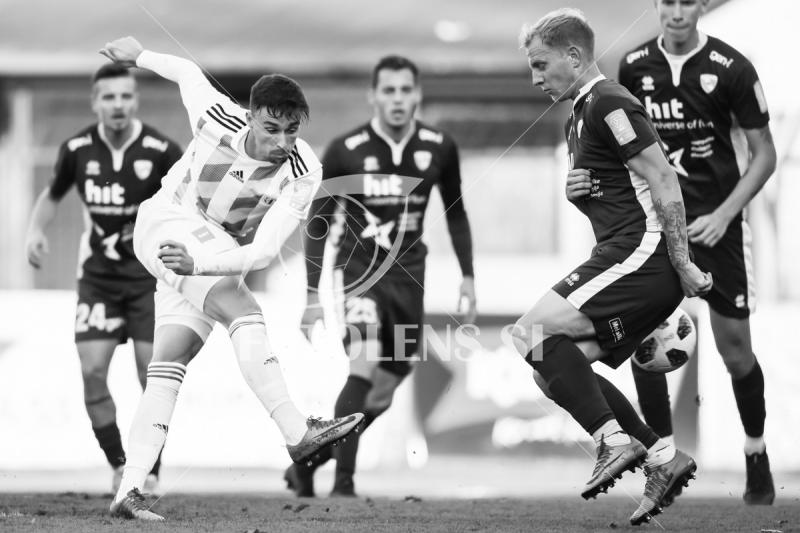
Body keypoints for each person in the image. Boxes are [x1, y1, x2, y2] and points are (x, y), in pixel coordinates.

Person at [97, 36, 364, 521]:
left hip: (204, 255)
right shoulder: (216, 115)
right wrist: (139, 56)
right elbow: (186, 72)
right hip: (167, 222)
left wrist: (198, 266)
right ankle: (296, 432)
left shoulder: (304, 169)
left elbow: (262, 254)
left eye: (292, 131)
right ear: (250, 115)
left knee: (168, 362)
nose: (282, 143)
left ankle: (128, 490)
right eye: (271, 129)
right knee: (245, 309)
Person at [516, 9, 713, 525]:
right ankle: (663, 457)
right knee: (550, 371)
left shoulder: (608, 101)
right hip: (628, 253)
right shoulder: (578, 117)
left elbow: (664, 178)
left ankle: (612, 439)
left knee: (530, 332)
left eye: (540, 64)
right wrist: (579, 196)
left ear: (574, 56)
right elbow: (620, 195)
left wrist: (682, 262)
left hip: (644, 254)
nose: (535, 78)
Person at [283, 55, 476, 498]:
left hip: (410, 280)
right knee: (363, 366)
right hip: (359, 275)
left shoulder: (440, 147)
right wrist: (312, 294)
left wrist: (468, 276)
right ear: (373, 96)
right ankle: (344, 484)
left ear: (417, 94)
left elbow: (456, 213)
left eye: (405, 90)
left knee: (383, 392)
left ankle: (308, 463)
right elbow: (319, 221)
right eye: (388, 90)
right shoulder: (346, 150)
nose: (397, 99)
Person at [619, 0, 777, 506]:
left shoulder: (732, 67)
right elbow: (626, 153)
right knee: (645, 341)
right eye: (668, 1)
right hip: (658, 229)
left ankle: (755, 451)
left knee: (735, 352)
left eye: (688, 1)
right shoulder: (634, 66)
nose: (677, 11)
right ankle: (663, 462)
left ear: (702, 6)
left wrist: (725, 215)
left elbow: (765, 155)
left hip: (719, 230)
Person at [25, 63, 183, 494]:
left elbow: (187, 205)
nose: (118, 105)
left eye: (126, 96)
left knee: (153, 376)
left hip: (148, 280)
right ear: (95, 102)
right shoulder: (76, 149)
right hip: (97, 279)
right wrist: (36, 230)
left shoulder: (161, 150)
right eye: (109, 97)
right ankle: (119, 464)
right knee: (93, 371)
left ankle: (149, 470)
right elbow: (52, 194)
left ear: (136, 100)